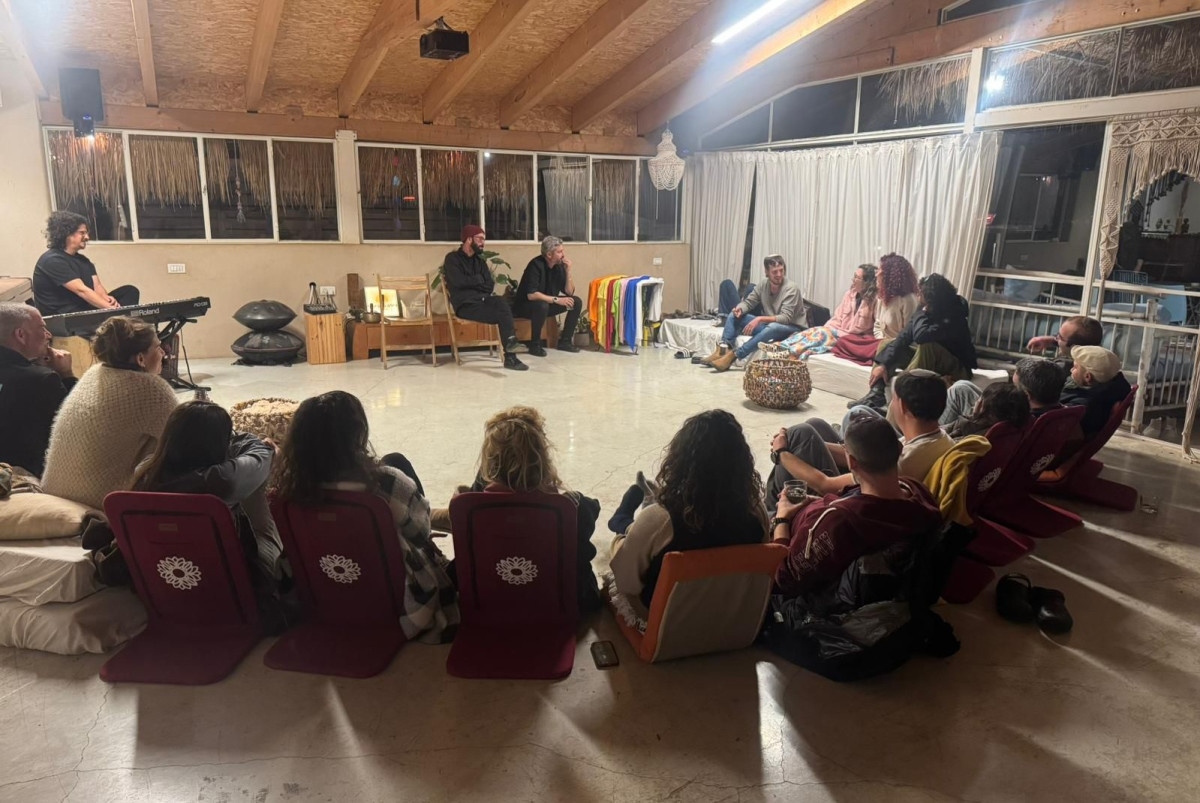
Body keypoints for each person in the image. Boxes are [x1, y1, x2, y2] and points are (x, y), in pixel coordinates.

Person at [274, 391, 459, 644]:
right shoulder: (385, 482)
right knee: (396, 461)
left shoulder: (287, 490)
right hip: (394, 601)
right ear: (358, 432)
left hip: (324, 593)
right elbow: (421, 531)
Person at [770, 417, 943, 599]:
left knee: (772, 501)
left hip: (791, 543)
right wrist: (819, 502)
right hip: (824, 518)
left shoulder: (842, 522)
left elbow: (784, 578)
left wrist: (782, 518)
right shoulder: (917, 491)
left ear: (851, 462)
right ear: (900, 449)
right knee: (808, 430)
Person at [609, 410, 768, 608]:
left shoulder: (663, 519)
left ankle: (622, 520)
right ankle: (636, 513)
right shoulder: (756, 511)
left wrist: (619, 544)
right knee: (648, 527)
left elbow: (626, 583)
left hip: (668, 621)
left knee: (628, 539)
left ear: (680, 461)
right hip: (732, 616)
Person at [133, 401, 285, 590]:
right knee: (255, 484)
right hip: (223, 576)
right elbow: (262, 455)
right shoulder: (222, 480)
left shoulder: (146, 471)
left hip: (163, 568)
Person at [469, 406, 602, 614]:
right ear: (544, 459)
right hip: (561, 607)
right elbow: (585, 542)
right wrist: (580, 502)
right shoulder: (571, 508)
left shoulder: (470, 512)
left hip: (493, 604)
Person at [40, 316, 176, 510]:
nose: (163, 352)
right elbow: (187, 439)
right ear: (140, 358)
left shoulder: (94, 372)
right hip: (98, 504)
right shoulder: (151, 389)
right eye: (158, 347)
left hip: (55, 492)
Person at [770, 370, 953, 504]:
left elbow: (826, 485)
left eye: (894, 399)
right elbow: (867, 455)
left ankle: (773, 512)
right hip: (866, 479)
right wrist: (811, 445)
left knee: (801, 432)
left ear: (903, 406)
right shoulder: (937, 438)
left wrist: (781, 452)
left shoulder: (904, 463)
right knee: (815, 426)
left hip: (853, 499)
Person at [850, 273, 977, 411]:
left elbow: (921, 336)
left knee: (928, 346)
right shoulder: (926, 308)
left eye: (921, 293)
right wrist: (882, 363)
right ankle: (876, 393)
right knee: (886, 343)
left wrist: (922, 313)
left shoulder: (953, 313)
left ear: (931, 297)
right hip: (934, 360)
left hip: (957, 367)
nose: (918, 295)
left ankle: (899, 400)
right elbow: (904, 336)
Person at [0, 303, 76, 477]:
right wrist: (66, 375)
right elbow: (76, 429)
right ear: (20, 335)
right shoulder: (42, 379)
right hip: (24, 480)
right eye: (42, 328)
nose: (48, 335)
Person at [442, 224, 527, 371]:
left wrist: (473, 283)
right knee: (502, 314)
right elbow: (458, 282)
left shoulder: (480, 261)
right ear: (469, 239)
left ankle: (511, 350)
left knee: (501, 302)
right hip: (466, 305)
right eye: (480, 239)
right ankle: (511, 357)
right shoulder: (452, 259)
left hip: (482, 301)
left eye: (484, 239)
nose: (483, 242)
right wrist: (478, 280)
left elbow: (489, 285)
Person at [706, 255, 805, 371]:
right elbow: (749, 302)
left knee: (773, 327)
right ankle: (723, 349)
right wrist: (740, 309)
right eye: (775, 272)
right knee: (733, 316)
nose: (779, 274)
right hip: (770, 325)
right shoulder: (763, 284)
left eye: (781, 270)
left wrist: (759, 319)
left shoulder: (791, 288)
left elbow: (785, 318)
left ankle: (735, 355)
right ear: (766, 272)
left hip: (791, 328)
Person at [32, 211, 140, 316]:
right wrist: (112, 310)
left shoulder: (83, 260)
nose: (87, 237)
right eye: (82, 233)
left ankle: (119, 321)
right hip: (65, 316)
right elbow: (82, 291)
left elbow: (97, 287)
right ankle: (120, 321)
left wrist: (107, 300)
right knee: (117, 313)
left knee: (130, 291)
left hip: (84, 308)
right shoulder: (52, 260)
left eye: (86, 233)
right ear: (67, 233)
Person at [769, 264, 877, 360]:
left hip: (853, 340)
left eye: (857, 277)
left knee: (821, 335)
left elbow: (876, 328)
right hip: (838, 332)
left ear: (866, 282)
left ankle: (788, 352)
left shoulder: (874, 301)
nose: (853, 280)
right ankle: (780, 346)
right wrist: (826, 329)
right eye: (854, 276)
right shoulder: (849, 295)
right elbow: (837, 318)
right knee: (815, 331)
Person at [941, 358, 1064, 432]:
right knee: (963, 387)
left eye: (1013, 387)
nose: (1009, 389)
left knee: (957, 392)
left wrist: (977, 418)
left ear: (1026, 396)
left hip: (985, 424)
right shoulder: (1060, 414)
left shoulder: (1015, 424)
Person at [513, 236, 582, 356]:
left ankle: (565, 342)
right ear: (549, 254)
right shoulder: (535, 265)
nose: (563, 255)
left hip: (547, 304)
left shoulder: (559, 266)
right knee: (542, 305)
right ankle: (535, 345)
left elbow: (569, 292)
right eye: (559, 252)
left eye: (563, 251)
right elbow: (531, 295)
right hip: (526, 307)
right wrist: (556, 300)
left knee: (576, 302)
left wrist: (568, 271)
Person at [1061, 345, 1131, 438]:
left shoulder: (1082, 405)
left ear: (1087, 377)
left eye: (1075, 367)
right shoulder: (1114, 389)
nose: (1071, 370)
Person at [944, 382, 1032, 441]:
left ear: (981, 405)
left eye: (979, 399)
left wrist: (971, 421)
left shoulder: (971, 439)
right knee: (962, 384)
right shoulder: (1012, 430)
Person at [1026, 315, 1103, 369]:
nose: (1056, 338)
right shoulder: (1100, 362)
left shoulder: (1063, 369)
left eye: (1060, 337)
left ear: (1074, 347)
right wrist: (1050, 340)